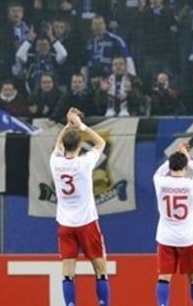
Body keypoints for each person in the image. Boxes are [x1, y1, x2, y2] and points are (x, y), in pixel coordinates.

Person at [50, 108, 110, 306]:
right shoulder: (84, 163)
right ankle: (103, 303)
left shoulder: (55, 162)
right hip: (87, 221)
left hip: (65, 224)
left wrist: (67, 126)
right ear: (79, 146)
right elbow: (101, 143)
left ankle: (70, 304)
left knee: (68, 271)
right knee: (100, 268)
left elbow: (57, 145)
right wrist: (81, 126)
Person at [153, 141, 193, 306]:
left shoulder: (160, 182)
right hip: (188, 239)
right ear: (185, 167)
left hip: (166, 238)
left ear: (170, 166)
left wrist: (176, 155)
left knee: (164, 278)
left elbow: (159, 172)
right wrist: (188, 159)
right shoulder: (192, 184)